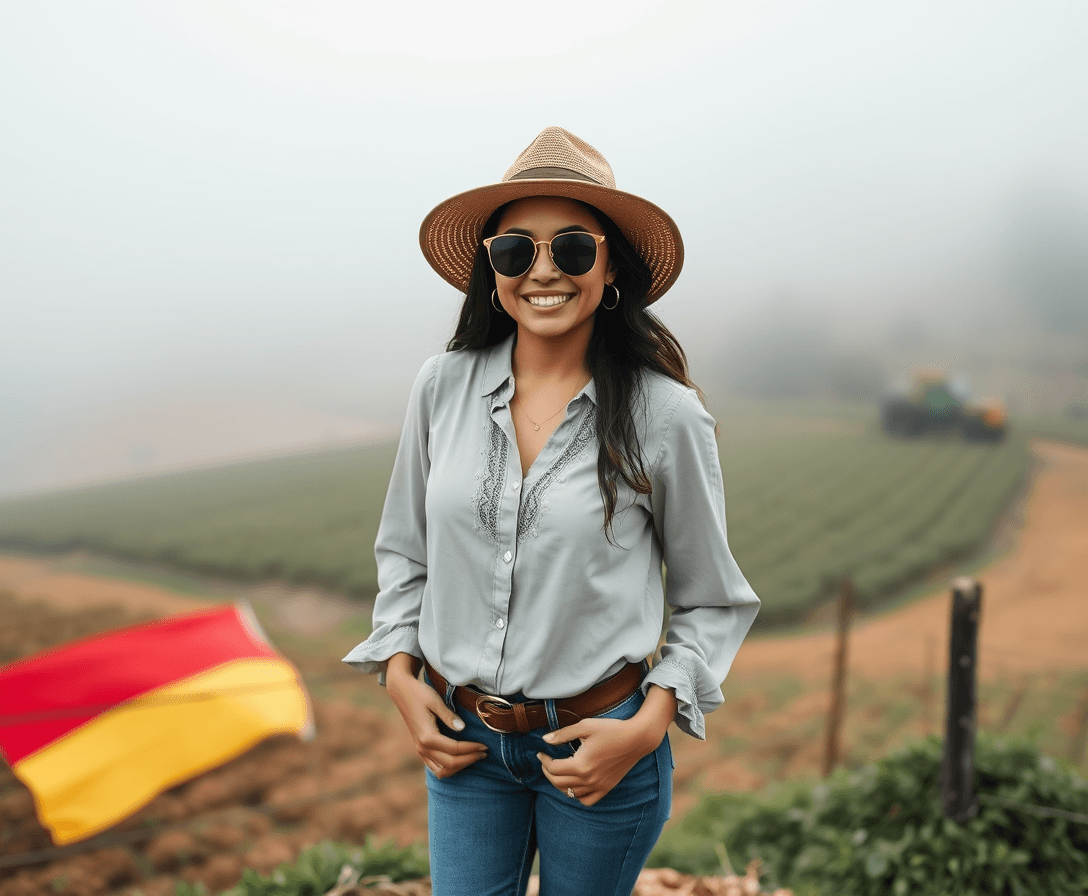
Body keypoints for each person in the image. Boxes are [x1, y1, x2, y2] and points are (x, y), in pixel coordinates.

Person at [344, 126, 759, 896]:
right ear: (490, 270)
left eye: (571, 248)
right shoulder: (441, 386)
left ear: (612, 270)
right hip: (466, 747)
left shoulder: (667, 417)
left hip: (598, 749)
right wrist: (399, 670)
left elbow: (711, 599)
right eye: (514, 251)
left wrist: (645, 728)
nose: (542, 272)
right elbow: (406, 551)